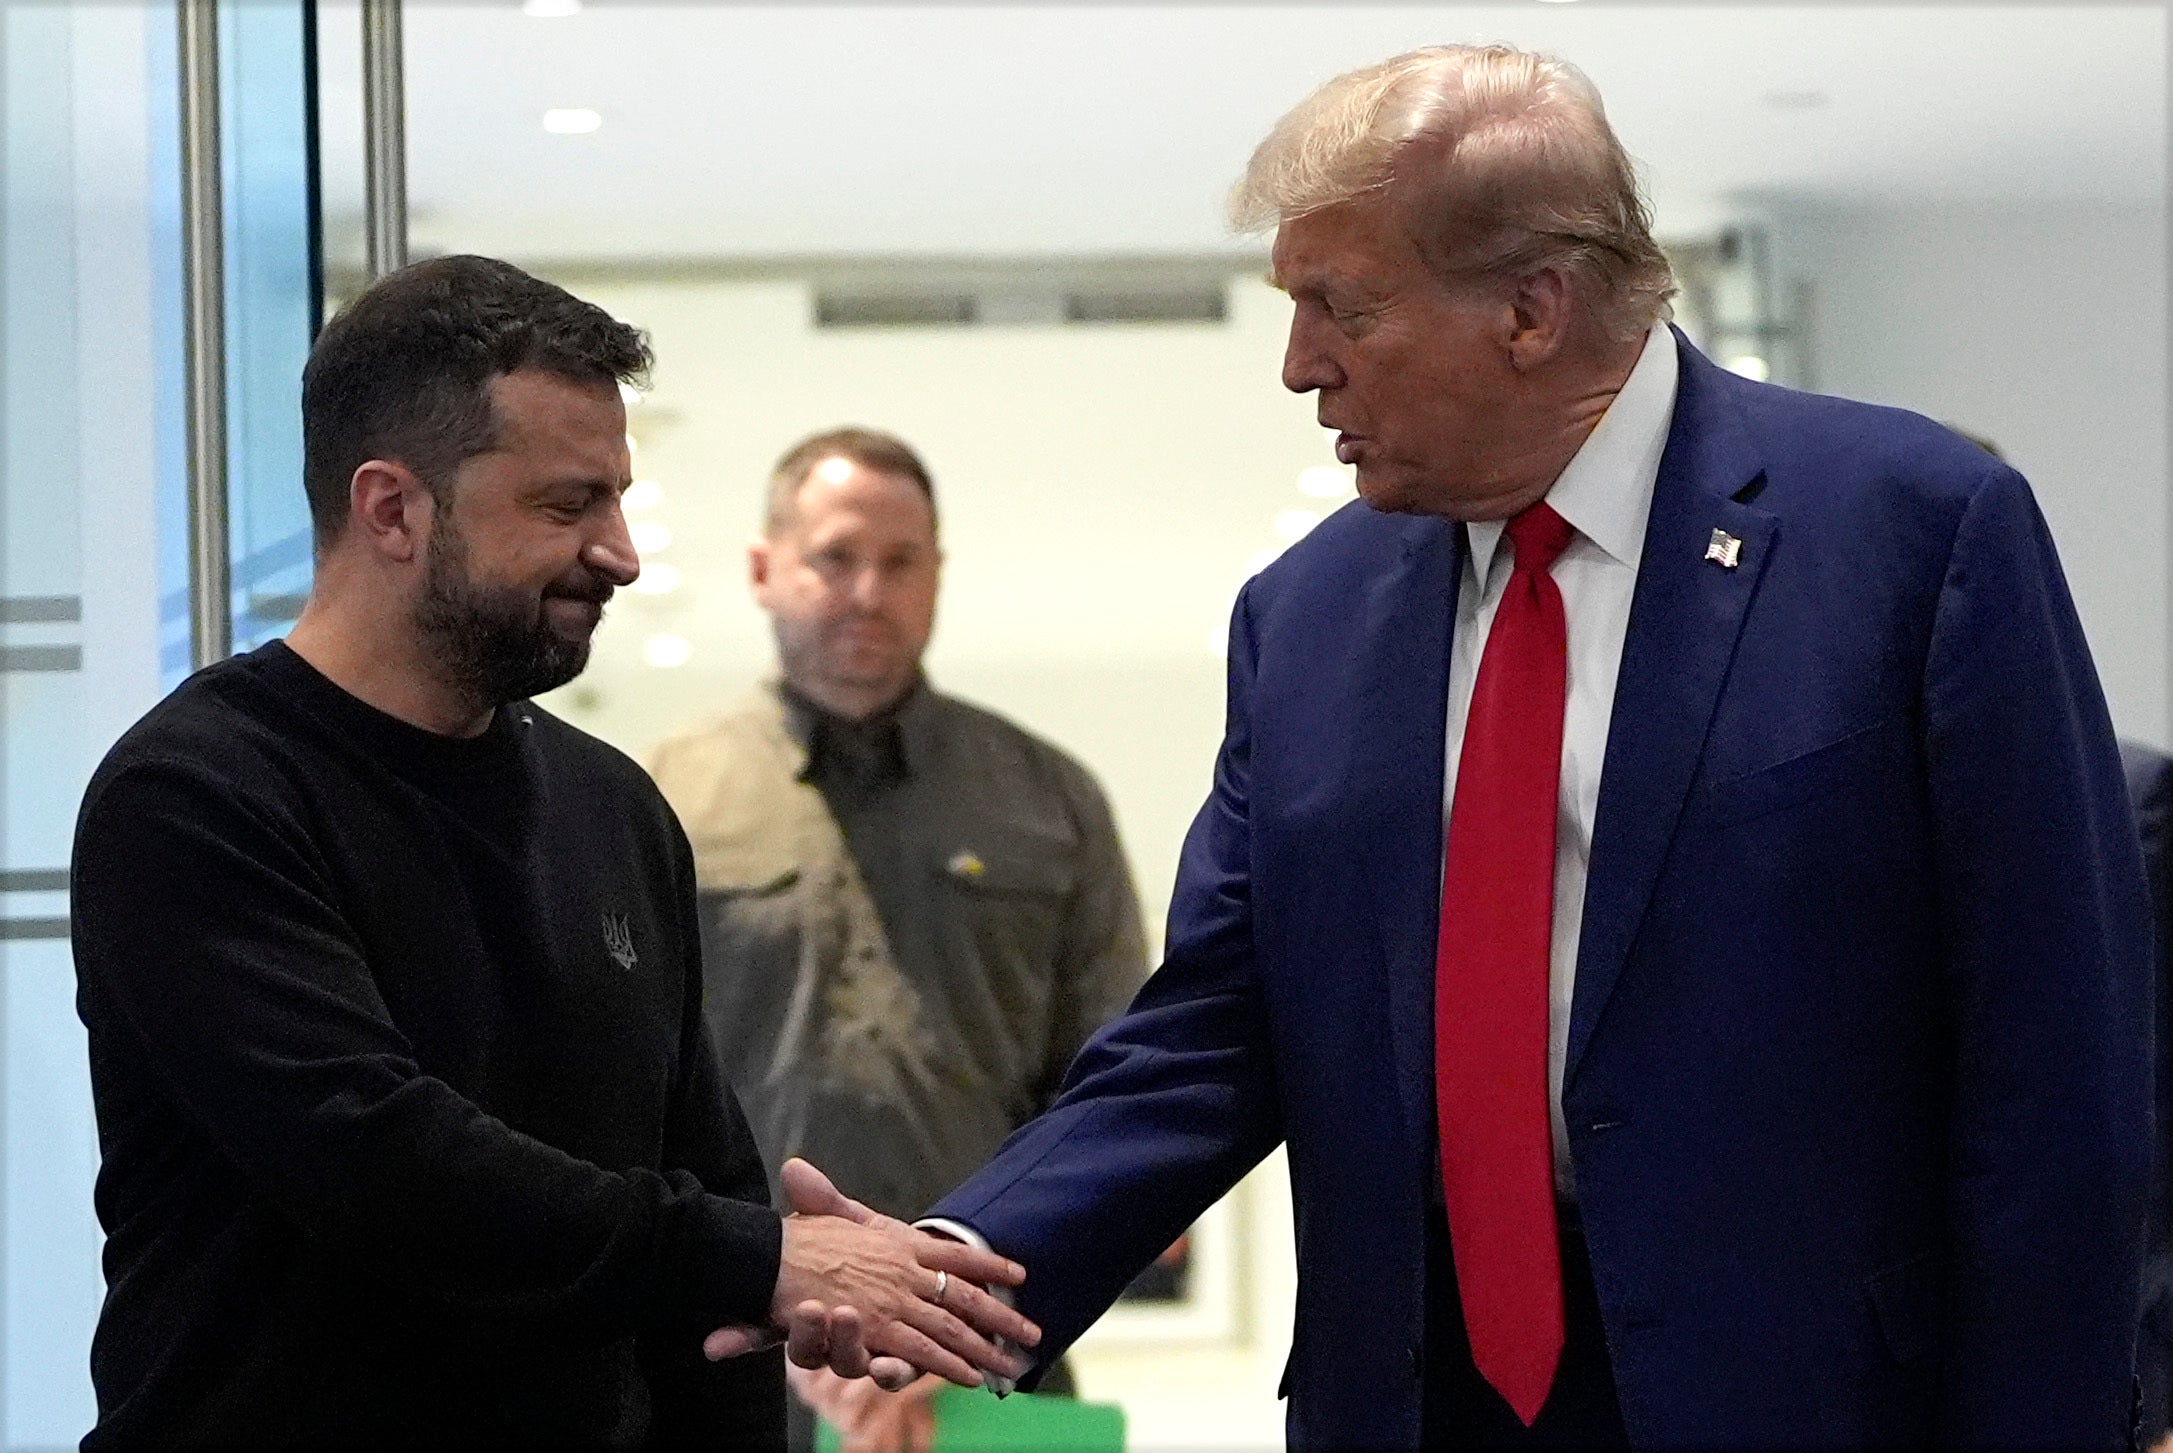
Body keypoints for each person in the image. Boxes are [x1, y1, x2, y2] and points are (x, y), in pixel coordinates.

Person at [836, 43, 2146, 1450]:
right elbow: (1218, 1027)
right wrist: (957, 1267)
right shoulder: (1306, 619)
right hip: (1413, 1404)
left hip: (1806, 1397)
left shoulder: (1909, 530)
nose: (1297, 366)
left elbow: (2052, 1047)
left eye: (1340, 307)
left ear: (1532, 309)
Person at [68, 257, 1033, 1451]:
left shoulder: (612, 807)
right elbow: (381, 1161)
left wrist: (759, 1267)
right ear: (392, 509)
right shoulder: (199, 794)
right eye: (567, 506)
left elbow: (711, 1237)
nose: (620, 552)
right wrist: (762, 1256)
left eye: (617, 499)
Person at [647, 427, 1149, 1451]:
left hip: (988, 1365)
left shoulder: (1048, 800)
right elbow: (613, 1108)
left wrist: (956, 1322)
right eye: (835, 556)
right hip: (718, 1364)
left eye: (900, 561)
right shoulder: (655, 801)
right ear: (763, 567)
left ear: (937, 576)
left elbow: (1113, 1098)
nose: (868, 591)